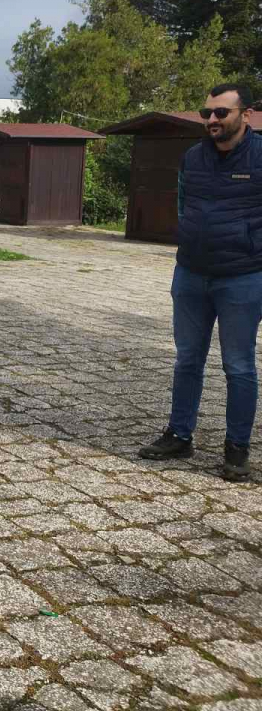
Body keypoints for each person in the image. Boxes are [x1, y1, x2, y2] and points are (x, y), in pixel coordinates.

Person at [139, 84, 260, 482]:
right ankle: (179, 434)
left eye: (221, 113)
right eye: (206, 112)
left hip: (243, 278)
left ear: (246, 114)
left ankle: (236, 448)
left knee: (238, 365)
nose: (211, 120)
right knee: (187, 358)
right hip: (191, 273)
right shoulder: (193, 157)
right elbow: (183, 204)